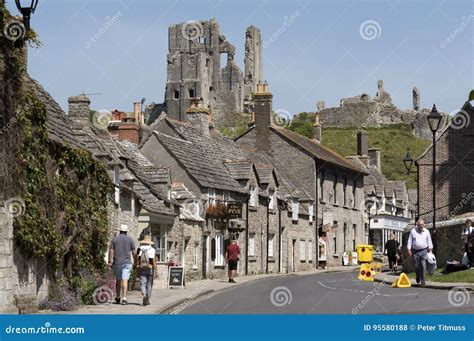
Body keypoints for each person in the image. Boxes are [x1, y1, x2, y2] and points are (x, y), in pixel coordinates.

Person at [108, 224, 137, 305]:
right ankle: (124, 298)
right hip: (127, 262)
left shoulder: (114, 239)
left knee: (118, 280)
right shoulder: (130, 239)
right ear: (126, 232)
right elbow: (134, 252)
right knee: (125, 280)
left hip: (117, 262)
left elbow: (111, 251)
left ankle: (117, 297)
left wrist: (109, 262)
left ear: (119, 231)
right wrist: (135, 261)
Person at [407, 219, 433, 286]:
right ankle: (418, 275)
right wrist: (409, 250)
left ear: (424, 225)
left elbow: (429, 241)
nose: (421, 226)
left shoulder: (427, 231)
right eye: (420, 225)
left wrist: (430, 249)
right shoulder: (413, 231)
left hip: (424, 250)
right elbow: (409, 241)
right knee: (416, 266)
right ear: (417, 225)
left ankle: (423, 281)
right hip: (415, 251)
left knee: (423, 265)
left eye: (422, 225)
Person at [135, 235, 157, 306]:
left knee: (143, 283)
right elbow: (153, 261)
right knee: (149, 284)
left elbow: (137, 259)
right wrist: (156, 270)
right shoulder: (152, 250)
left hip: (141, 268)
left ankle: (144, 295)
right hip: (150, 268)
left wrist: (136, 266)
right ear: (149, 242)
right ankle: (147, 299)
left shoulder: (139, 249)